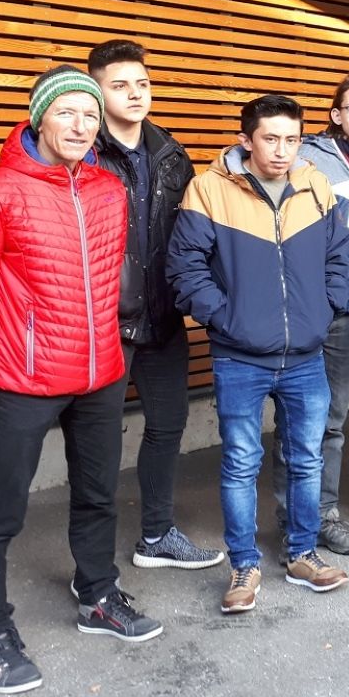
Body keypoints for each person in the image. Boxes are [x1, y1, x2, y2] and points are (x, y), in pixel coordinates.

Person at [0, 65, 163, 695]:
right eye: (67, 111)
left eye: (90, 115)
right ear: (39, 118)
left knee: (97, 494)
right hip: (23, 378)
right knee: (1, 506)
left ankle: (98, 595)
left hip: (99, 374)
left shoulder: (107, 190)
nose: (80, 125)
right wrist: (4, 355)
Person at [168, 95, 349, 613]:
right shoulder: (209, 189)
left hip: (306, 355)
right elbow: (185, 267)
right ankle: (244, 566)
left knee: (306, 459)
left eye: (291, 140)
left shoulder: (315, 184)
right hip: (239, 357)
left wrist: (326, 308)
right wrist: (225, 318)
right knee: (240, 463)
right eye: (270, 139)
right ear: (246, 139)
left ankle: (302, 554)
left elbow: (341, 256)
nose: (281, 150)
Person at [87, 40, 223, 571]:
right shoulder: (84, 152)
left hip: (163, 319)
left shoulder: (171, 152)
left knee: (167, 427)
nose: (135, 94)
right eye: (120, 85)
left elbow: (191, 236)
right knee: (98, 443)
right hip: (104, 324)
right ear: (97, 92)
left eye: (142, 84)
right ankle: (92, 567)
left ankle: (157, 536)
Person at [272, 74, 349, 557]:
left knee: (332, 420)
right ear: (336, 114)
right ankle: (291, 520)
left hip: (348, 308)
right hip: (302, 304)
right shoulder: (305, 156)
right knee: (297, 416)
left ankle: (323, 515)